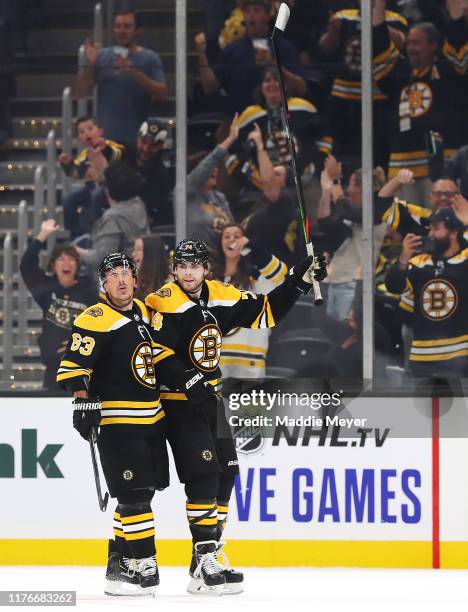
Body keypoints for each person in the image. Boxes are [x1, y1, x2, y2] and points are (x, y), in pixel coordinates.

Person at [145, 239, 327, 594]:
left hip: (209, 400)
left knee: (227, 472)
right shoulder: (163, 300)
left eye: (194, 265)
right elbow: (158, 351)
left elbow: (267, 311)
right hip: (178, 402)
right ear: (174, 269)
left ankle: (203, 563)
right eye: (182, 266)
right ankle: (205, 555)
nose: (188, 272)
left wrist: (298, 280)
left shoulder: (220, 294)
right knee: (203, 475)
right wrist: (189, 379)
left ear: (205, 268)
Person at [56, 253, 168, 596]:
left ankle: (120, 567)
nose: (120, 280)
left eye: (126, 273)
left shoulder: (146, 314)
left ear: (136, 280)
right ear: (103, 284)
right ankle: (144, 561)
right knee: (133, 496)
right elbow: (75, 363)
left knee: (143, 493)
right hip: (119, 423)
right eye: (112, 275)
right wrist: (83, 398)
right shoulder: (95, 317)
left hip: (152, 419)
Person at [373, 0, 468, 202]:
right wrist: (378, 10)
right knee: (404, 223)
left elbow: (459, 46)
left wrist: (456, 11)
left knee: (441, 222)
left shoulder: (448, 70)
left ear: (433, 45)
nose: (411, 48)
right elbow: (380, 53)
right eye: (408, 43)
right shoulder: (401, 74)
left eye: (416, 43)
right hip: (404, 165)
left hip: (442, 166)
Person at [319, 1, 407, 167]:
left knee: (376, 144)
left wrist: (377, 23)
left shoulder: (396, 19)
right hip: (343, 90)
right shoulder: (343, 16)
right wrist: (333, 30)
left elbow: (402, 44)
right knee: (334, 140)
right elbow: (324, 48)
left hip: (377, 92)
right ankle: (326, 169)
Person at [385, 208, 468, 377]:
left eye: (436, 228)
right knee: (421, 404)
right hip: (421, 357)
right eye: (429, 229)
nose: (430, 234)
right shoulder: (418, 263)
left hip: (459, 356)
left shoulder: (464, 260)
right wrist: (403, 257)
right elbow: (393, 286)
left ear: (453, 233)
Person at [19, 219, 97, 390]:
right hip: (53, 373)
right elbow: (26, 265)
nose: (66, 263)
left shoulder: (90, 291)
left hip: (82, 371)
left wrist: (78, 342)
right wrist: (42, 236)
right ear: (53, 266)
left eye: (71, 259)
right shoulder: (47, 289)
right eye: (61, 259)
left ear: (77, 265)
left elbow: (103, 326)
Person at [226, 65, 332, 190]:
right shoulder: (249, 116)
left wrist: (317, 164)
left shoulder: (303, 108)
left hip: (305, 185)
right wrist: (254, 178)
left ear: (285, 86)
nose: (272, 84)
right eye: (267, 80)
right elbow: (232, 153)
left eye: (277, 80)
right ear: (261, 86)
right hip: (262, 190)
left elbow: (325, 137)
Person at [75, 8, 168, 146]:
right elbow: (80, 93)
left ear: (137, 30)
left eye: (127, 26)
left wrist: (135, 73)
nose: (122, 31)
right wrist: (90, 65)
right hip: (104, 140)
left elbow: (162, 95)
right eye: (118, 26)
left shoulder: (150, 58)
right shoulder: (102, 57)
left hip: (136, 139)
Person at [195, 0, 306, 114]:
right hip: (242, 117)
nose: (251, 14)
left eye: (257, 10)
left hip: (278, 114)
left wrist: (273, 64)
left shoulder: (283, 47)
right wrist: (201, 52)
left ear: (268, 15)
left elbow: (301, 88)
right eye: (247, 11)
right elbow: (209, 87)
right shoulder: (233, 50)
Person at [211, 223, 288, 377]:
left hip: (249, 358)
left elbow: (280, 274)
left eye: (237, 236)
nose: (232, 239)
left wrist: (252, 248)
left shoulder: (256, 278)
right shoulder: (210, 279)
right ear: (220, 243)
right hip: (215, 359)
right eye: (227, 236)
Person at [317, 157, 388, 320]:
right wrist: (326, 190)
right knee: (332, 337)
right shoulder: (349, 210)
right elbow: (324, 223)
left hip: (354, 284)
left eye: (351, 184)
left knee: (349, 334)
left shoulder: (377, 213)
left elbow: (345, 206)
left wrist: (335, 182)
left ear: (363, 188)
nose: (348, 189)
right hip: (333, 281)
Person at [242, 123, 304, 265]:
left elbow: (268, 181)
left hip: (276, 264)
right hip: (259, 263)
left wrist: (260, 147)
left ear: (286, 180)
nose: (271, 174)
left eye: (277, 174)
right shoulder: (265, 201)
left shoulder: (288, 198)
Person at [76, 161, 149, 273]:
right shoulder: (139, 203)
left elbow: (104, 259)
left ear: (107, 189)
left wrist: (78, 252)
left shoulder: (112, 217)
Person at [59, 115, 125, 239]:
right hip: (90, 188)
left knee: (96, 195)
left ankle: (94, 232)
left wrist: (104, 149)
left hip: (111, 188)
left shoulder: (112, 145)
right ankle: (75, 234)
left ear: (100, 131)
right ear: (79, 139)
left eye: (90, 128)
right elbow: (75, 173)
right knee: (69, 200)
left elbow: (117, 154)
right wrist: (67, 165)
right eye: (82, 132)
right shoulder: (84, 155)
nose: (86, 133)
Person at [186, 116, 238, 250]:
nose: (214, 170)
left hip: (218, 258)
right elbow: (208, 164)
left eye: (216, 167)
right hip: (193, 258)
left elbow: (232, 229)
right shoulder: (185, 193)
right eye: (209, 168)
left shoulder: (219, 198)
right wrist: (230, 139)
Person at [377, 168, 468, 240]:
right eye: (438, 194)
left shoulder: (466, 219)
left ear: (459, 196)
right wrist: (398, 179)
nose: (443, 198)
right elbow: (382, 203)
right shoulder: (421, 217)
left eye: (449, 194)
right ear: (430, 198)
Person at [133, 234, 170, 301]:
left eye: (138, 249)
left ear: (151, 255)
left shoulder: (168, 289)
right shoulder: (133, 285)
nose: (133, 254)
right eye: (134, 249)